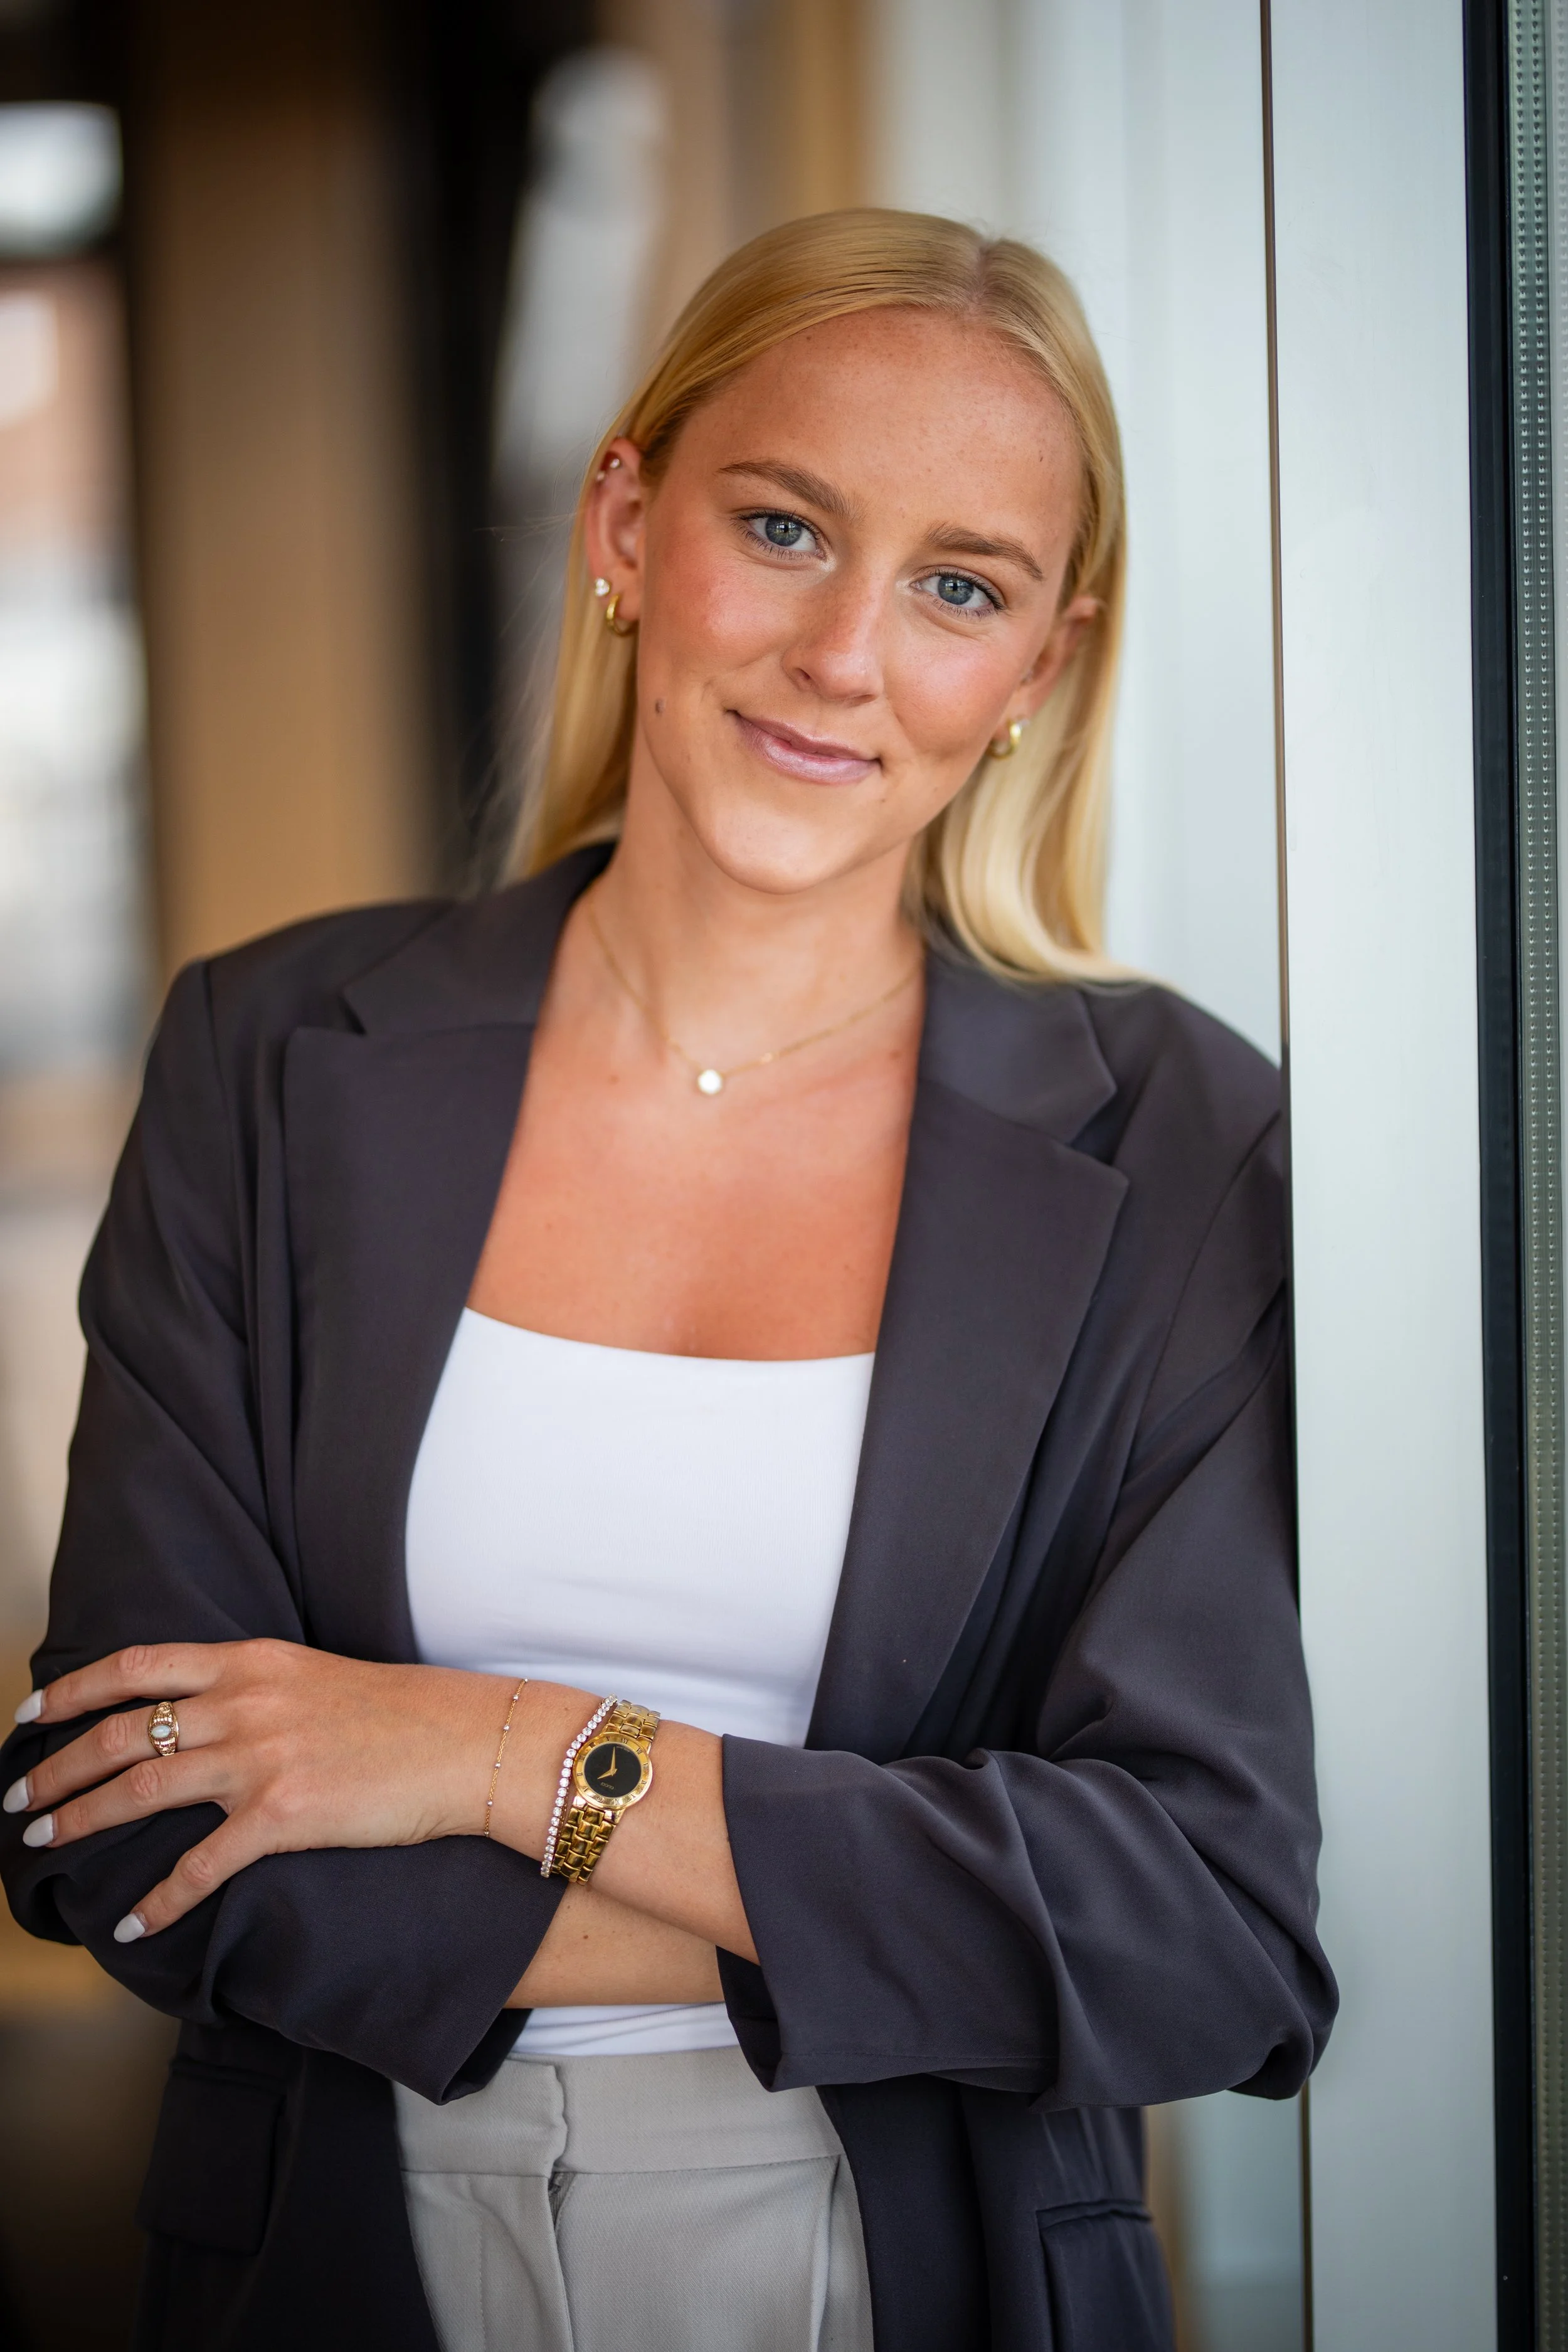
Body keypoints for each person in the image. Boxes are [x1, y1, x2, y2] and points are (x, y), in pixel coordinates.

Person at [0, 209, 1334, 2352]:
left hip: (926, 2267)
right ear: (626, 519)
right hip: (336, 2254)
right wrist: (883, 1902)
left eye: (959, 587)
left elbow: (1194, 1922)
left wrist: (487, 1748)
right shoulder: (273, 1052)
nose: (845, 658)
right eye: (786, 526)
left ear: (1040, 669)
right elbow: (118, 1816)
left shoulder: (1177, 1137)